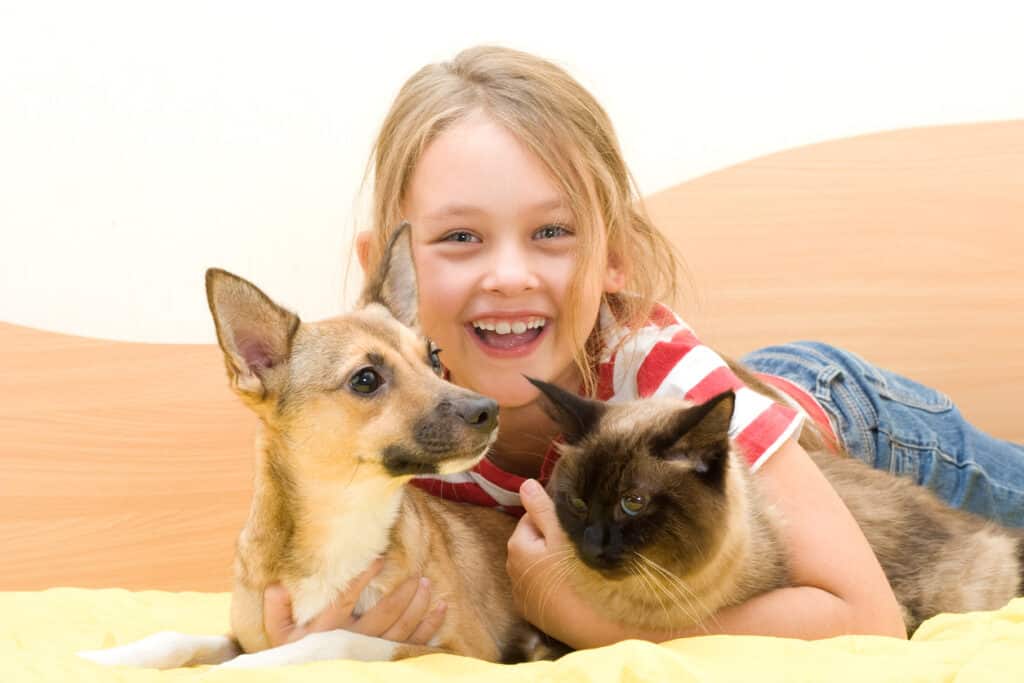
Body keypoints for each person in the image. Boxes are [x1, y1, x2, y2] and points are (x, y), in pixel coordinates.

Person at [261, 45, 1024, 651]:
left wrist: (602, 625)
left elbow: (868, 614)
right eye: (460, 237)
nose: (508, 274)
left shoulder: (655, 365)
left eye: (552, 232)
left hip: (853, 425)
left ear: (615, 256)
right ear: (389, 268)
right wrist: (318, 641)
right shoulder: (395, 421)